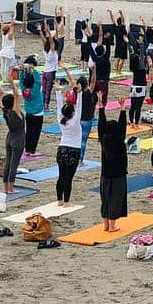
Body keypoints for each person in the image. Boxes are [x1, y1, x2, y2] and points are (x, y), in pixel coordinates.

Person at [97, 92, 128, 231]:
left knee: (105, 199)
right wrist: (122, 108)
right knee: (115, 199)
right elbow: (122, 127)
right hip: (118, 175)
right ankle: (112, 226)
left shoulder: (104, 140)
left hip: (105, 174)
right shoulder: (119, 140)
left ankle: (105, 225)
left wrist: (101, 106)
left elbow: (101, 126)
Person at [53, 75, 84, 206]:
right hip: (73, 150)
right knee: (68, 178)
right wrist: (80, 93)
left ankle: (60, 200)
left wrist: (58, 91)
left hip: (62, 149)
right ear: (72, 113)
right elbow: (80, 108)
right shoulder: (75, 121)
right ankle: (66, 201)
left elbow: (59, 107)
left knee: (61, 176)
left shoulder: (61, 120)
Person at [0, 80, 25, 194]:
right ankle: (11, 188)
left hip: (9, 138)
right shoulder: (15, 112)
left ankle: (6, 188)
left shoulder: (6, 111)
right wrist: (13, 86)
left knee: (8, 164)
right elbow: (17, 97)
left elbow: (2, 95)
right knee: (14, 165)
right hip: (18, 139)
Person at [20, 56, 45, 154]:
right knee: (36, 132)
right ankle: (32, 150)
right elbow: (38, 80)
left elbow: (21, 80)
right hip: (38, 111)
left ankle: (27, 149)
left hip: (28, 111)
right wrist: (32, 70)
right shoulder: (35, 89)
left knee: (29, 130)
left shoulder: (23, 89)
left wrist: (23, 71)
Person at [39, 22, 59, 107]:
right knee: (48, 90)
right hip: (51, 72)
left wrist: (40, 31)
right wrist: (49, 32)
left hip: (45, 72)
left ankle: (43, 103)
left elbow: (44, 40)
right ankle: (46, 105)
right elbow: (50, 41)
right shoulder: (52, 52)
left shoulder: (45, 50)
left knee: (43, 89)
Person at [77, 76, 96, 162]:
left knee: (78, 140)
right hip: (87, 120)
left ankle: (77, 158)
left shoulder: (77, 92)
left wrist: (66, 71)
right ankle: (81, 160)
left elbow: (72, 81)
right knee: (83, 141)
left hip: (79, 119)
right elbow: (93, 81)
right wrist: (95, 69)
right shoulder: (88, 93)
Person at [127, 53, 148, 125]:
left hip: (133, 88)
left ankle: (131, 121)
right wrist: (141, 44)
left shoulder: (133, 67)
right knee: (138, 107)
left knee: (132, 106)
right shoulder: (141, 68)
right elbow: (142, 57)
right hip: (141, 88)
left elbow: (131, 53)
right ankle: (136, 122)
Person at [109, 9, 129, 75]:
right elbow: (123, 20)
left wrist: (111, 13)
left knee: (117, 58)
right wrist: (121, 13)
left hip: (117, 44)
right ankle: (119, 71)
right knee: (122, 59)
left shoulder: (115, 27)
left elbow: (112, 20)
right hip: (123, 44)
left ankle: (116, 71)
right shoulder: (122, 27)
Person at [0, 13, 17, 81]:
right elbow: (12, 26)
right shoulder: (10, 35)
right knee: (6, 66)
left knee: (3, 65)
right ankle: (5, 79)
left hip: (3, 51)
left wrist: (1, 20)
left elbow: (2, 26)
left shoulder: (3, 34)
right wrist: (12, 18)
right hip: (8, 52)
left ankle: (3, 78)